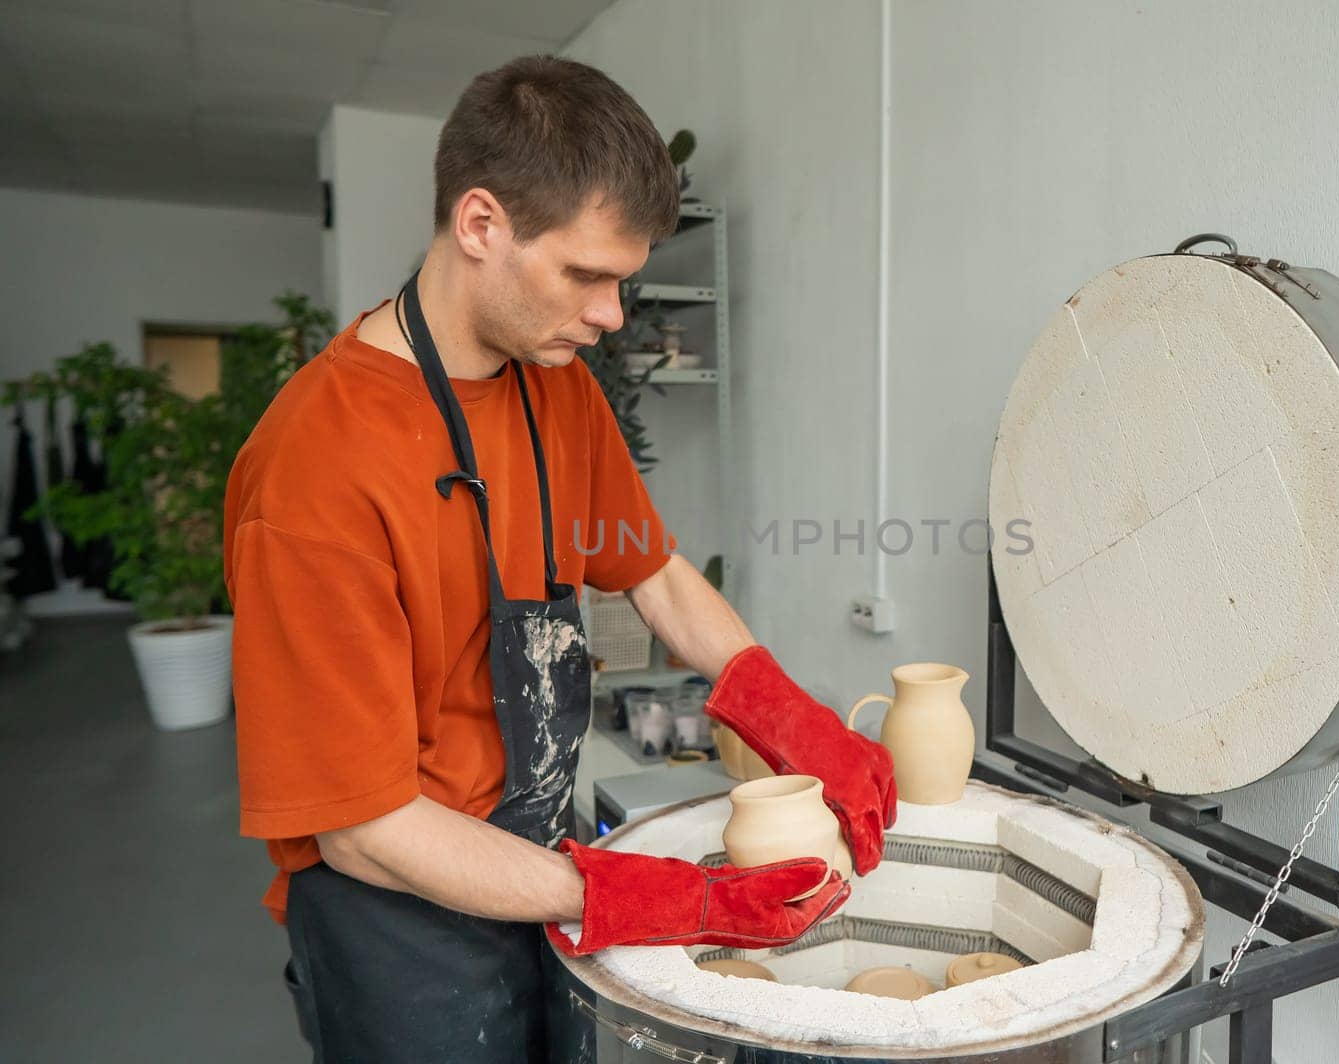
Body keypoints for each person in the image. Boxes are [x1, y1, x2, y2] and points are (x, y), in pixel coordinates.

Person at [222, 55, 897, 1062]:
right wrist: (659, 894)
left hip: (537, 854)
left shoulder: (558, 385)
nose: (612, 314)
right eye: (589, 274)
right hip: (394, 921)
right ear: (482, 224)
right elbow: (360, 828)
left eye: (622, 280)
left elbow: (652, 570)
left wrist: (785, 709)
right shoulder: (314, 472)